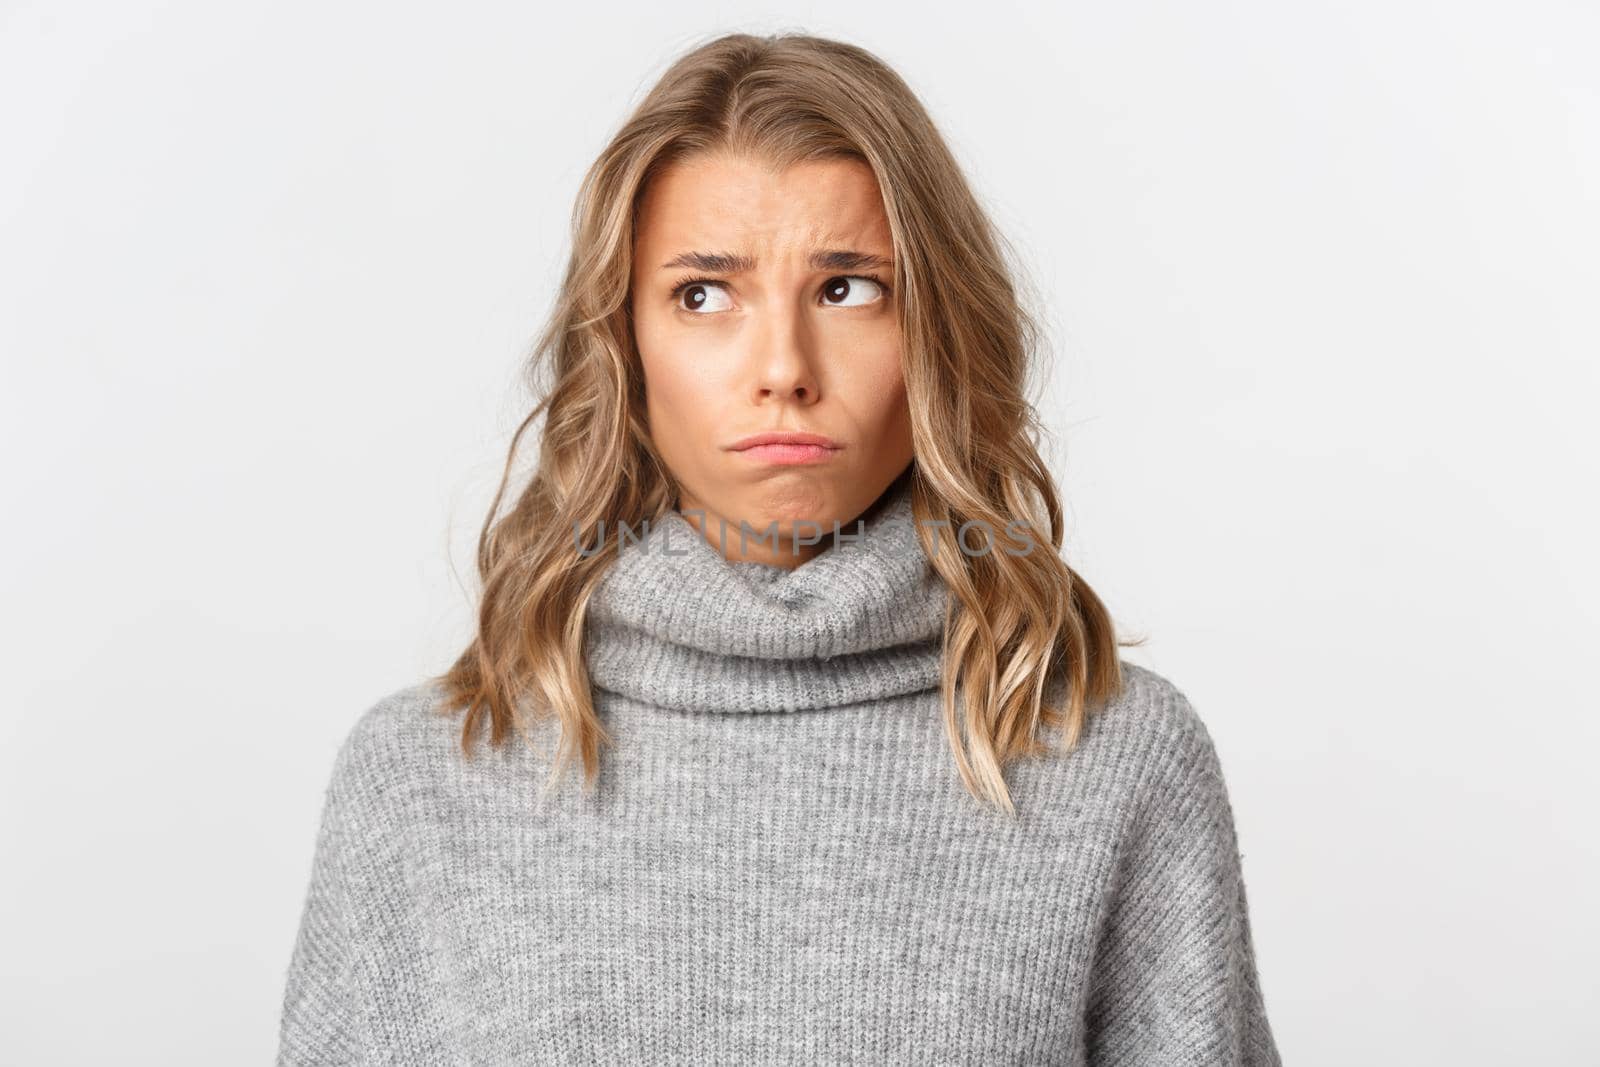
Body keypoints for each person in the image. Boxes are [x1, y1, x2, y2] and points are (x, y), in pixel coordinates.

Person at [277, 31, 1282, 1065]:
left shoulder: (1112, 755)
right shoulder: (425, 776)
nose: (782, 369)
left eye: (848, 287)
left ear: (937, 331)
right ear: (621, 345)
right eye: (702, 294)